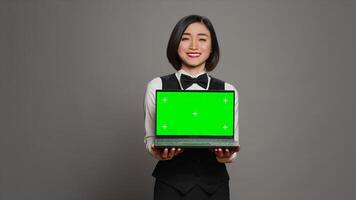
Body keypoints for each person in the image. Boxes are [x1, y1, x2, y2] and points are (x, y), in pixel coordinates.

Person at [144, 14, 240, 200]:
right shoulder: (156, 86)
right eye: (185, 38)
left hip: (215, 187)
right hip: (169, 186)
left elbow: (232, 144)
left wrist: (225, 156)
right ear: (175, 44)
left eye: (202, 39)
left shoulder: (228, 90)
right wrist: (158, 152)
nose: (194, 46)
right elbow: (149, 139)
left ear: (212, 47)